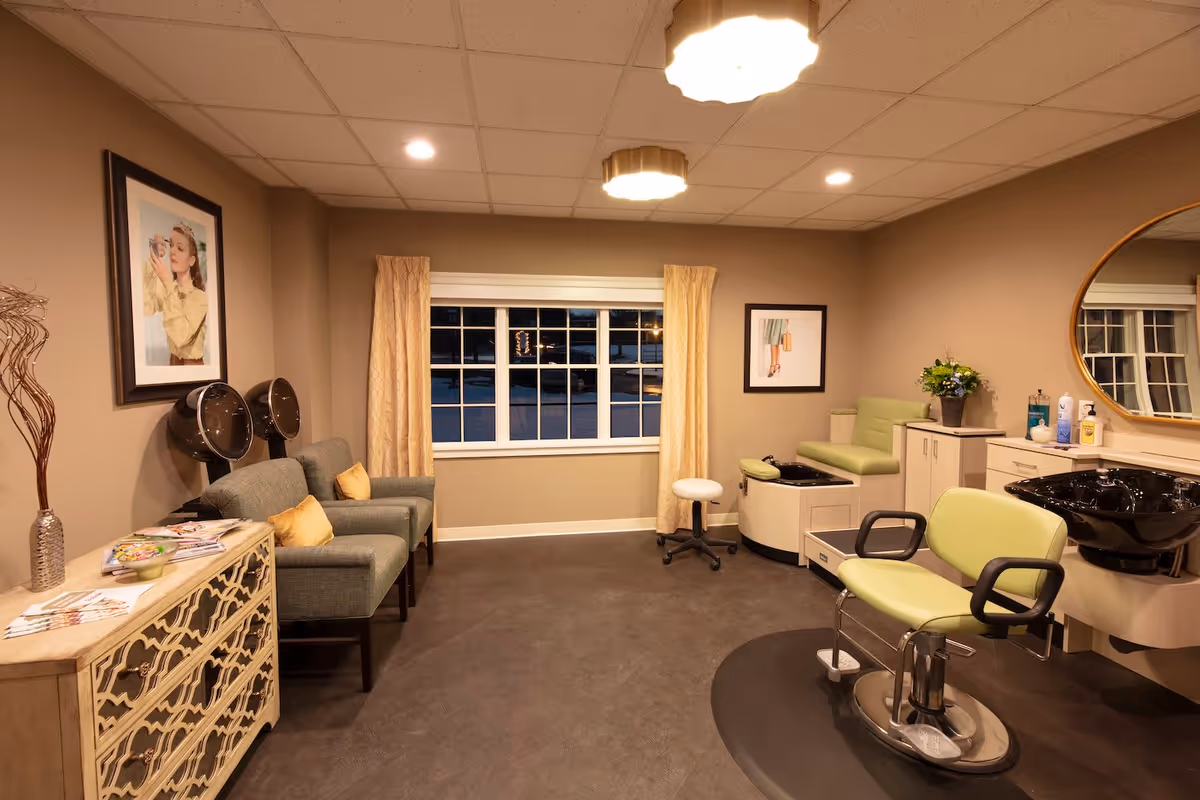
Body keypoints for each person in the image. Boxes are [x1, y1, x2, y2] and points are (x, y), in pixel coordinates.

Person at [143, 223, 207, 365]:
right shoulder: (169, 288)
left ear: (191, 260)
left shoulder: (200, 297)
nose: (172, 251)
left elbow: (181, 336)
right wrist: (153, 257)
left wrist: (167, 281)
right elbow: (145, 307)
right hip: (173, 366)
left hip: (194, 371)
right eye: (170, 245)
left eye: (180, 248)